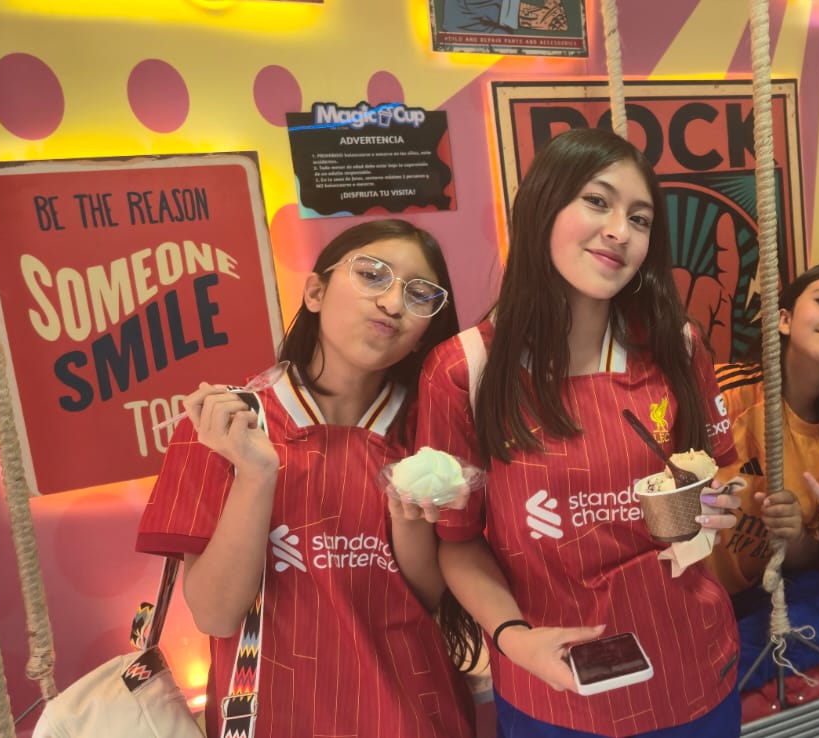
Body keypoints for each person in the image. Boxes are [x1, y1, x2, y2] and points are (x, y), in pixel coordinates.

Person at [418, 128, 743, 738]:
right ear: (543, 206)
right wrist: (515, 638)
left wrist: (721, 505)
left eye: (640, 219)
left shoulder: (678, 346)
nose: (621, 231)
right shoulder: (465, 371)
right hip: (552, 690)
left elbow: (720, 477)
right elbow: (457, 543)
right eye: (597, 201)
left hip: (692, 671)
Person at [135, 218, 474, 737]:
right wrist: (256, 474)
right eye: (372, 275)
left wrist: (409, 517)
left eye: (419, 294)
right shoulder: (225, 425)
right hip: (277, 716)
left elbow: (423, 599)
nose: (392, 303)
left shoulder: (430, 427)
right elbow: (217, 616)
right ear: (315, 292)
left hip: (414, 712)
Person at [709, 262, 819, 737]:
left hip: (748, 598)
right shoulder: (725, 391)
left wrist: (800, 534)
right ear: (784, 320)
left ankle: (708, 667)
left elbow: (805, 559)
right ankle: (702, 669)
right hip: (688, 594)